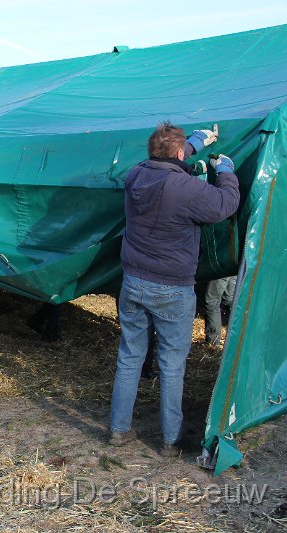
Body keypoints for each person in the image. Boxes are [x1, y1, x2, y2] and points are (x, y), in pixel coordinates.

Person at [109, 123, 240, 457]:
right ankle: (169, 442)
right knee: (171, 365)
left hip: (134, 283)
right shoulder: (184, 188)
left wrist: (195, 142)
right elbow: (225, 204)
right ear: (179, 154)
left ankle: (118, 431)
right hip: (172, 289)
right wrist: (225, 170)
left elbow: (165, 158)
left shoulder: (136, 175)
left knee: (129, 358)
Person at [204, 275, 237, 346]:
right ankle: (233, 341)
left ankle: (213, 342)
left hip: (224, 269)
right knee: (230, 302)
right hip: (237, 268)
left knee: (212, 301)